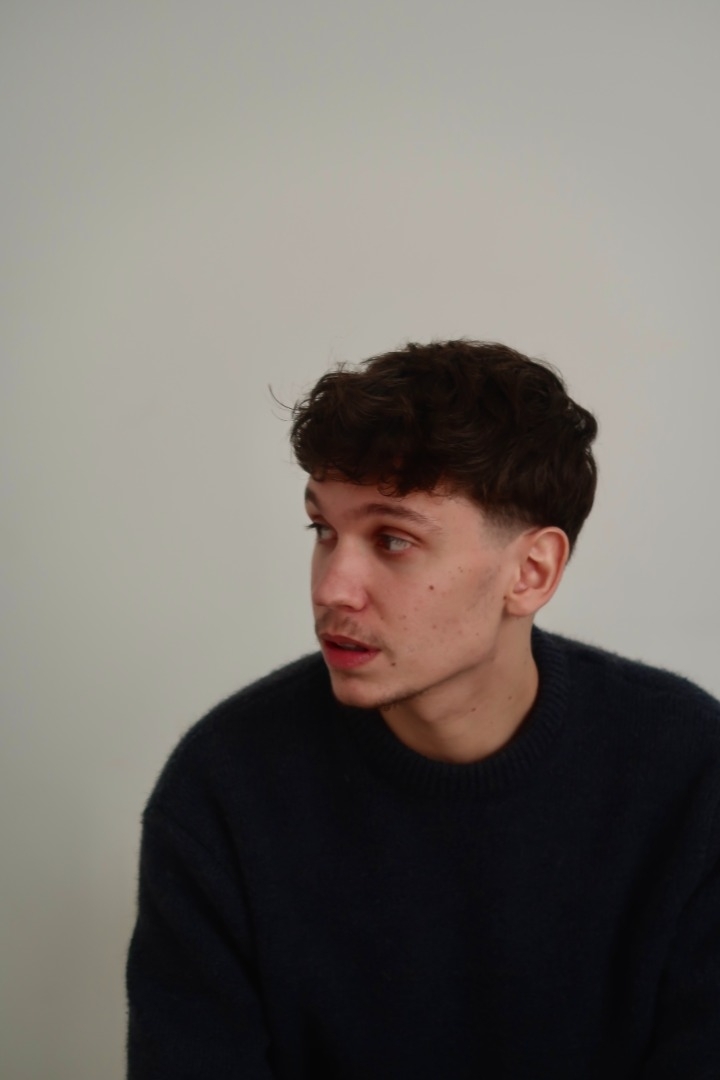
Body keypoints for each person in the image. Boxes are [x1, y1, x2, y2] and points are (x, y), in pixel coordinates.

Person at [126, 340, 720, 1079]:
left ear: (531, 572)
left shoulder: (691, 774)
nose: (332, 588)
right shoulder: (225, 788)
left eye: (393, 539)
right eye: (324, 531)